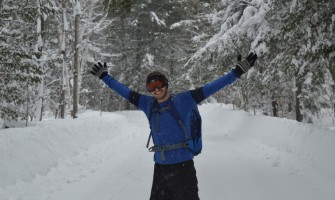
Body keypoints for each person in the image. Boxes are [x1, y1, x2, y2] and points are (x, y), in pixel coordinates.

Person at [90, 52, 258, 200]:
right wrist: (105, 77)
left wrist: (236, 73)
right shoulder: (148, 104)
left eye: (159, 84)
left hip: (183, 168)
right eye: (151, 87)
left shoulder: (184, 101)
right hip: (160, 170)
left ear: (166, 84)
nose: (155, 90)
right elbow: (124, 91)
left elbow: (211, 88)